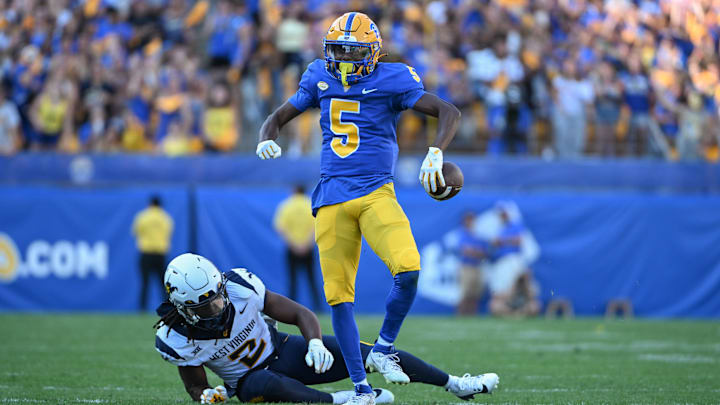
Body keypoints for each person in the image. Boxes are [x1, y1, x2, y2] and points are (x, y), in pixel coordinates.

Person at [255, 12, 462, 405]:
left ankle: (383, 348)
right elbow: (278, 116)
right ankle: (361, 388)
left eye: (354, 51)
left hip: (374, 193)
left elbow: (449, 111)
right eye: (339, 50)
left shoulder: (393, 77)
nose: (345, 58)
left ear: (373, 52)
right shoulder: (318, 74)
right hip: (331, 197)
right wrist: (266, 136)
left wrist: (436, 151)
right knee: (339, 299)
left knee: (409, 270)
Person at [154, 253, 499, 404]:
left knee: (372, 355)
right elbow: (197, 388)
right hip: (249, 381)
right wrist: (208, 396)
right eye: (205, 305)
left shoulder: (239, 285)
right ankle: (342, 400)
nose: (218, 306)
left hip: (285, 352)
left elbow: (299, 313)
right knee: (260, 381)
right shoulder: (176, 336)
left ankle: (456, 384)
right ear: (183, 307)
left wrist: (315, 342)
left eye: (217, 297)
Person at [273, 185, 322, 311]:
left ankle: (291, 310)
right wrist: (307, 244)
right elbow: (316, 226)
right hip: (308, 248)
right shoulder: (310, 204)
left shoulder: (286, 205)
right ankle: (318, 309)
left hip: (292, 248)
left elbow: (280, 228)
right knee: (312, 281)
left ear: (293, 190)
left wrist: (294, 245)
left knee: (292, 281)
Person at [132, 195, 174, 311]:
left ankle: (142, 309)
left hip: (146, 253)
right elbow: (169, 233)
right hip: (160, 254)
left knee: (145, 283)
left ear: (150, 204)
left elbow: (136, 232)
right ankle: (169, 308)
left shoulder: (142, 217)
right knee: (163, 285)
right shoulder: (166, 218)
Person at [456, 212, 488, 316]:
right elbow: (466, 250)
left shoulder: (478, 235)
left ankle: (472, 315)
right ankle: (461, 314)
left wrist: (475, 252)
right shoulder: (462, 233)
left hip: (477, 267)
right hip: (466, 267)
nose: (470, 222)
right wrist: (477, 252)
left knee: (475, 294)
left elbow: (485, 252)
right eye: (468, 220)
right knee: (465, 293)